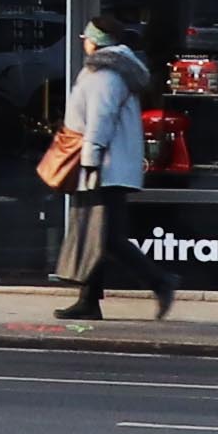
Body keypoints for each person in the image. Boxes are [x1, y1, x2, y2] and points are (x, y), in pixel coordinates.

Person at [48, 23, 173, 322]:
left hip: (104, 167)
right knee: (97, 236)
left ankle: (159, 281)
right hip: (108, 166)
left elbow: (100, 119)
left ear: (95, 41)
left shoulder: (105, 74)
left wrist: (90, 159)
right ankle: (88, 301)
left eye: (86, 37)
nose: (83, 42)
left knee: (108, 237)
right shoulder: (111, 70)